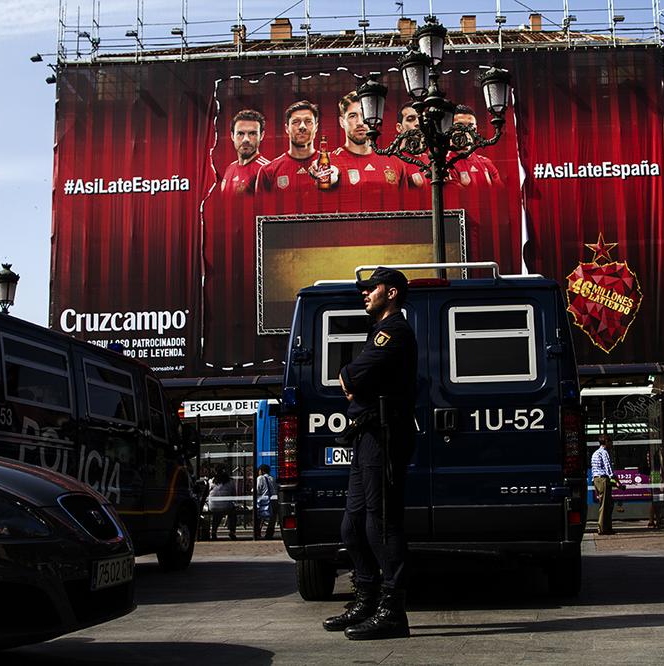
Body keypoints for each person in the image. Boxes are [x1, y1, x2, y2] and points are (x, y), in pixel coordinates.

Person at [322, 267, 418, 641]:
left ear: (391, 293)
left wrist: (351, 378)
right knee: (352, 524)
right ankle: (365, 599)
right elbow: (351, 379)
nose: (364, 294)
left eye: (370, 289)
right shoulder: (378, 332)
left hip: (384, 435)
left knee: (381, 524)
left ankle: (393, 612)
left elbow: (350, 378)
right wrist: (352, 379)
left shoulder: (393, 332)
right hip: (365, 436)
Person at [329, 91, 408, 190]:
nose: (360, 122)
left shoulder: (395, 163)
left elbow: (405, 203)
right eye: (353, 116)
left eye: (365, 115)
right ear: (342, 122)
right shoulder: (330, 162)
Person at [256, 100, 336, 192]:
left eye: (308, 121)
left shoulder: (334, 164)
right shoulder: (268, 172)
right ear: (287, 128)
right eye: (296, 122)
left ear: (316, 127)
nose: (302, 126)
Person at [447, 105, 502, 188]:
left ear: (475, 130)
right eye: (459, 127)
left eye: (470, 127)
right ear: (449, 130)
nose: (466, 132)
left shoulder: (486, 163)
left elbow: (501, 194)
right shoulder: (444, 164)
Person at [220, 109, 270, 195]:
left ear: (261, 136)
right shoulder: (230, 168)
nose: (246, 139)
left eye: (252, 133)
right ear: (232, 136)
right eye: (240, 133)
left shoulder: (267, 171)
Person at [591, 434, 620, 535]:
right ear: (606, 442)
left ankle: (607, 527)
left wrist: (595, 487)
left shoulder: (595, 453)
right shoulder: (604, 452)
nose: (611, 444)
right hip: (603, 480)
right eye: (610, 442)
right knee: (605, 505)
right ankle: (603, 528)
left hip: (597, 480)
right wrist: (618, 482)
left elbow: (594, 472)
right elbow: (609, 470)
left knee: (607, 503)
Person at [207, 467, 238, 540]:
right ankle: (232, 531)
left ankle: (214, 532)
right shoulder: (230, 481)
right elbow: (234, 494)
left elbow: (208, 491)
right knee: (232, 512)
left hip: (213, 506)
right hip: (226, 506)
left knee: (217, 514)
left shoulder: (211, 481)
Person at [255, 464, 278, 539]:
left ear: (261, 470)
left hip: (264, 501)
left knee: (259, 516)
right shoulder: (272, 478)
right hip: (273, 500)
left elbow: (257, 490)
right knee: (272, 518)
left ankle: (257, 532)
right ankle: (269, 533)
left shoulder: (260, 478)